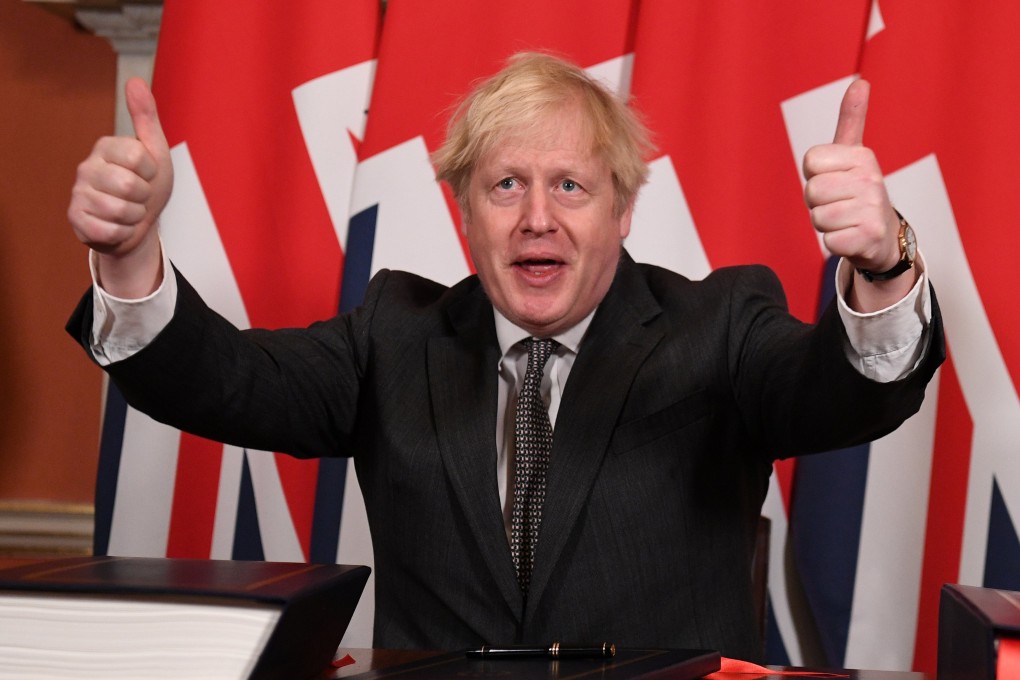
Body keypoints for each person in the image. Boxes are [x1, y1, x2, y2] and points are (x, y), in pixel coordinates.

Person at [66, 52, 944, 661]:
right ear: (463, 212)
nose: (536, 219)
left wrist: (881, 262)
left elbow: (844, 393)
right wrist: (131, 255)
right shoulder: (394, 335)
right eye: (505, 185)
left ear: (622, 211)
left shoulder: (717, 325)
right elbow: (225, 383)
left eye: (571, 185)